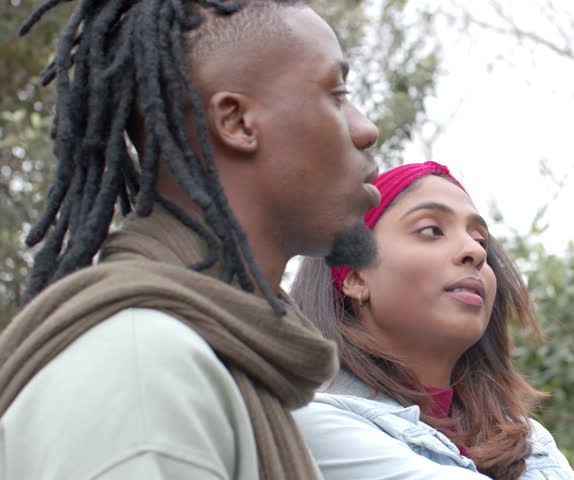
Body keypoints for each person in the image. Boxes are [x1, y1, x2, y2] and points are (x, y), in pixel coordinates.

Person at [0, 1, 380, 478]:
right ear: (238, 122)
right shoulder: (144, 373)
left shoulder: (219, 356)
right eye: (337, 93)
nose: (366, 129)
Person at [291, 161, 574, 480]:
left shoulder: (529, 440)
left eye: (480, 241)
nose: (473, 252)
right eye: (431, 230)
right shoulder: (312, 420)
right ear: (355, 276)